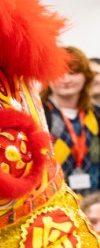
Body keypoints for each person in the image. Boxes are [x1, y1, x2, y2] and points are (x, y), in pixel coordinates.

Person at [41, 46, 100, 193]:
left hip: (95, 205)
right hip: (54, 206)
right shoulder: (39, 116)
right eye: (58, 73)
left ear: (86, 75)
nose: (65, 79)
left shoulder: (96, 114)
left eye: (73, 72)